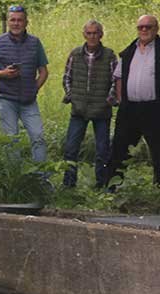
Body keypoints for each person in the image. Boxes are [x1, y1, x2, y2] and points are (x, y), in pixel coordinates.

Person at [0, 5, 50, 163]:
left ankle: (42, 179)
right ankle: (15, 179)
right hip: (5, 99)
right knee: (11, 141)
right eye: (13, 20)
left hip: (28, 101)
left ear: (26, 22)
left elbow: (44, 72)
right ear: (8, 22)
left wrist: (34, 88)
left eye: (20, 20)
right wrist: (2, 74)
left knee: (38, 137)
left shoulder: (35, 43)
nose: (16, 23)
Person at [61, 20, 119, 188]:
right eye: (89, 33)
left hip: (102, 112)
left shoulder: (109, 55)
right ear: (84, 35)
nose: (92, 36)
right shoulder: (75, 54)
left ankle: (102, 185)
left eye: (95, 33)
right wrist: (72, 96)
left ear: (101, 34)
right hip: (79, 110)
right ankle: (68, 185)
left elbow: (115, 81)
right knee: (71, 149)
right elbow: (66, 77)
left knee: (103, 151)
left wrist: (108, 100)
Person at [105, 15, 160, 187]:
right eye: (140, 27)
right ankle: (112, 188)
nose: (143, 30)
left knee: (158, 150)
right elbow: (119, 77)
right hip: (130, 109)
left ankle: (158, 189)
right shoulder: (130, 50)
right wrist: (122, 101)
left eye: (148, 27)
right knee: (119, 149)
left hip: (155, 109)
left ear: (156, 29)